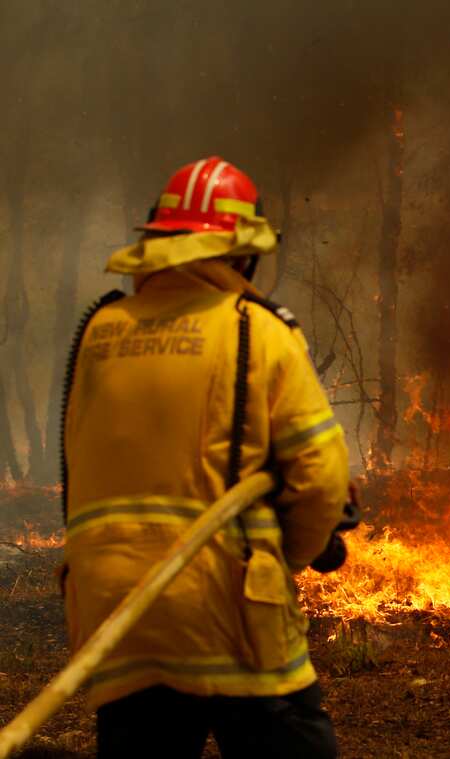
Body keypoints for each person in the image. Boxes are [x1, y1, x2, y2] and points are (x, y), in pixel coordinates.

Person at [61, 156, 350, 758]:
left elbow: (82, 471)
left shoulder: (100, 331)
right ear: (243, 254)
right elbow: (321, 478)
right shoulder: (256, 329)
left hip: (116, 613)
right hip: (229, 607)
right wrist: (288, 557)